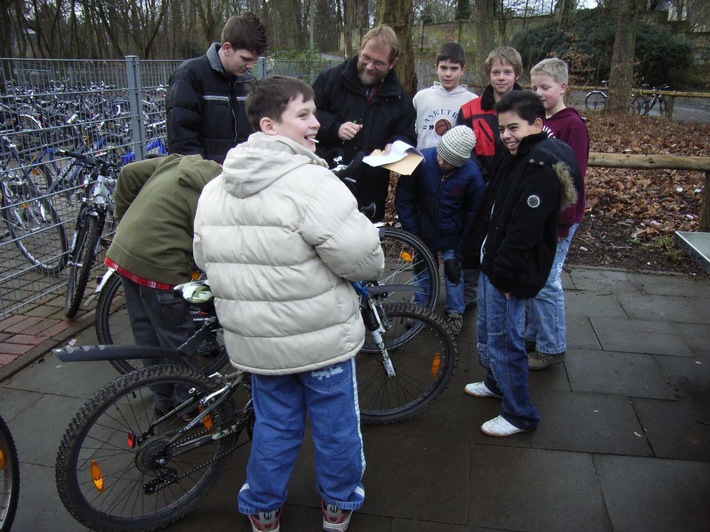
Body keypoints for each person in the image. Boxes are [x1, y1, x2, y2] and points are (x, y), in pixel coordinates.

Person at [193, 76, 385, 532]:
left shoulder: (217, 186)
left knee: (275, 426)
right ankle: (338, 502)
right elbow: (363, 258)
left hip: (257, 343)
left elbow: (204, 255)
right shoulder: (312, 183)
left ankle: (262, 507)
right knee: (336, 425)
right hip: (320, 338)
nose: (316, 123)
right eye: (303, 114)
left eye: (313, 112)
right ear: (269, 124)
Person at [462, 91, 579, 437]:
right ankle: (496, 383)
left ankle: (519, 414)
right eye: (502, 129)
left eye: (514, 127)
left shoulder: (538, 165)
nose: (506, 135)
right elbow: (493, 207)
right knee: (487, 329)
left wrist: (506, 276)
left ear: (537, 125)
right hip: (492, 259)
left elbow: (523, 229)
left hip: (507, 271)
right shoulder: (517, 155)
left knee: (504, 339)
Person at [104, 154, 222, 414]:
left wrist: (123, 217)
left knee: (146, 332)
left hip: (125, 253)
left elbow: (127, 173)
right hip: (161, 266)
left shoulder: (176, 161)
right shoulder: (220, 194)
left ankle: (162, 398)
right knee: (178, 339)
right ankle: (188, 404)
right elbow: (209, 247)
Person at [312, 25, 416, 221]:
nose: (369, 66)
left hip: (370, 189)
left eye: (378, 63)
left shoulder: (400, 99)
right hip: (327, 181)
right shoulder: (331, 80)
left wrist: (396, 145)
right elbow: (307, 115)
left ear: (392, 63)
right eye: (366, 58)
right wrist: (335, 128)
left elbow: (407, 134)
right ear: (360, 50)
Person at [526, 57, 589, 371]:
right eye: (534, 86)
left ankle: (552, 347)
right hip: (540, 215)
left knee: (548, 281)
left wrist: (564, 220)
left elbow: (573, 177)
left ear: (563, 87)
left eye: (545, 87)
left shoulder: (572, 125)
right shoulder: (539, 120)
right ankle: (534, 335)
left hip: (560, 219)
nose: (538, 92)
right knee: (538, 275)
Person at [395, 125, 484, 335]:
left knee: (454, 272)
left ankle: (455, 311)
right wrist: (412, 231)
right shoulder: (422, 161)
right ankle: (421, 308)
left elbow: (475, 212)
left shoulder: (471, 174)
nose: (443, 163)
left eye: (450, 162)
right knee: (421, 271)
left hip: (452, 234)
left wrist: (463, 242)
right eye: (442, 157)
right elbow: (405, 197)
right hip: (422, 231)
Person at [456, 46, 523, 310]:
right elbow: (463, 146)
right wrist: (476, 180)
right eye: (496, 72)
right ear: (488, 74)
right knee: (473, 239)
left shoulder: (527, 106)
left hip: (513, 186)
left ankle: (509, 291)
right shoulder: (470, 109)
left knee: (508, 240)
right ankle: (470, 294)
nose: (502, 77)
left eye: (507, 72)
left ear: (516, 74)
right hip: (479, 185)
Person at [166, 12, 267, 164]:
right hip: (203, 177)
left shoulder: (249, 82)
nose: (250, 66)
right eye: (245, 59)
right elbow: (182, 140)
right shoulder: (190, 75)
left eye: (254, 60)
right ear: (227, 48)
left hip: (243, 174)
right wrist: (205, 173)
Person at [412, 42, 478, 149]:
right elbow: (411, 134)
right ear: (436, 68)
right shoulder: (420, 98)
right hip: (424, 162)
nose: (448, 74)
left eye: (454, 68)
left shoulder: (472, 101)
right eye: (443, 68)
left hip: (457, 163)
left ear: (463, 70)